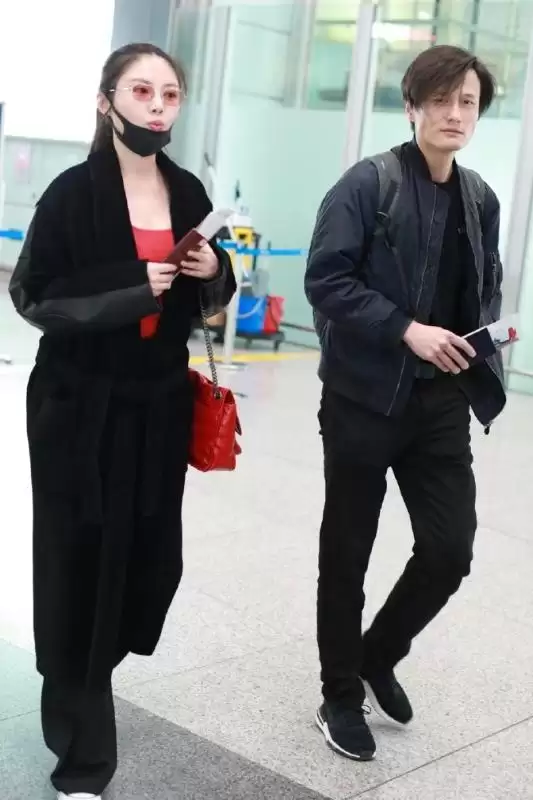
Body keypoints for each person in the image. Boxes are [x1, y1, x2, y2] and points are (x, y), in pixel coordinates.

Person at [9, 42, 236, 799]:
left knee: (147, 560)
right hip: (79, 408)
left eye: (169, 95)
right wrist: (135, 288)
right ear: (107, 101)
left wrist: (214, 273)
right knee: (81, 563)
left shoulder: (187, 189)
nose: (157, 106)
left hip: (157, 406)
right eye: (142, 91)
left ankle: (91, 673)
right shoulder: (72, 195)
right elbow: (35, 295)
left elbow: (208, 301)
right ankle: (82, 747)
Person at [304, 45, 506, 762]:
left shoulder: (480, 198)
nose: (455, 114)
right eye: (441, 100)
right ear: (412, 106)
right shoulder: (368, 184)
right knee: (347, 552)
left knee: (450, 549)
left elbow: (481, 289)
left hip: (439, 403)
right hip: (363, 397)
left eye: (467, 102)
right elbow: (325, 280)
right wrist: (405, 329)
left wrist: (480, 344)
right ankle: (338, 694)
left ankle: (376, 654)